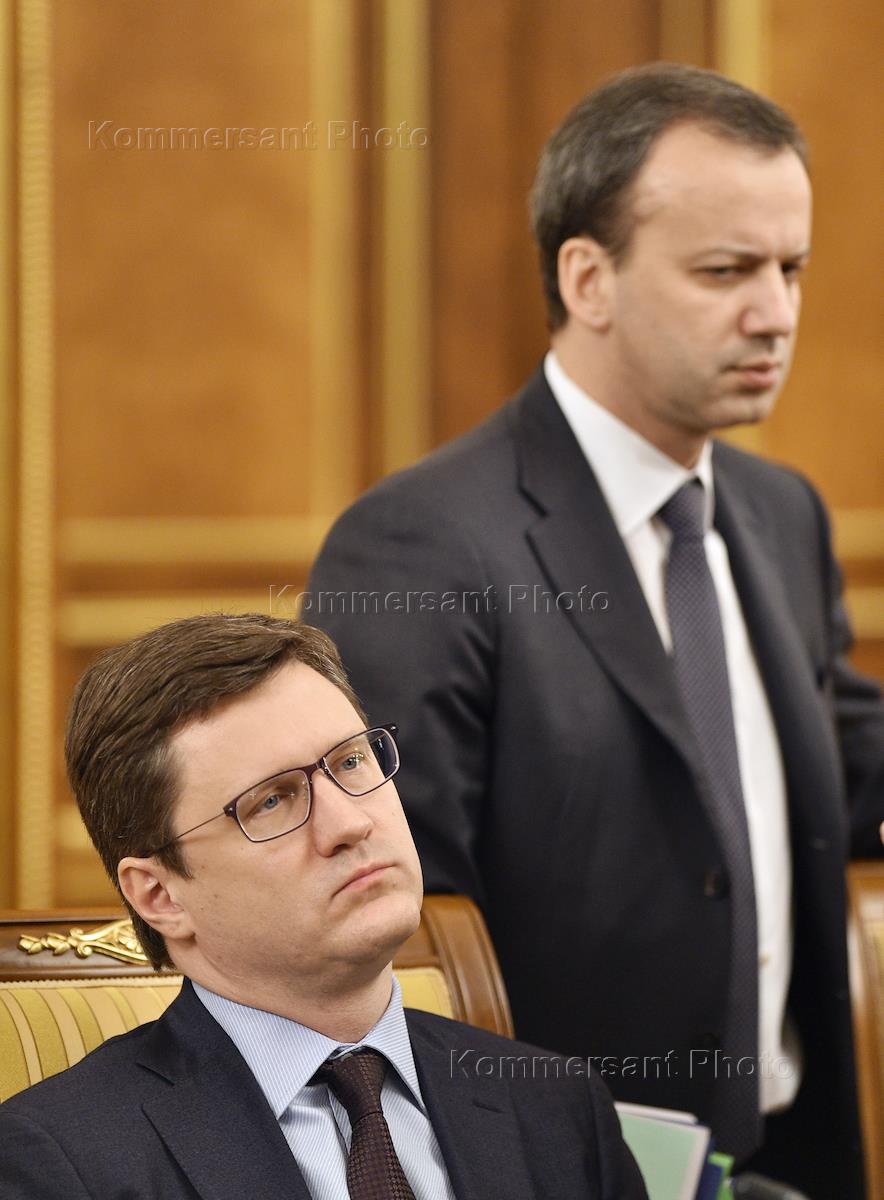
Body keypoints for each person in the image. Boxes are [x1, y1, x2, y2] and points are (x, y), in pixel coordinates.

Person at [306, 63, 884, 1198]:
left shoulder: (781, 514)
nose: (775, 313)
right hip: (562, 1167)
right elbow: (401, 931)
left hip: (797, 1155)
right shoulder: (420, 544)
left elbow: (843, 770)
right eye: (725, 271)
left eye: (789, 269)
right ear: (588, 278)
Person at [0, 614, 647, 1200]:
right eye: (271, 801)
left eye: (352, 761)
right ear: (161, 895)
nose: (350, 823)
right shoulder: (59, 1164)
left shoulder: (556, 1108)